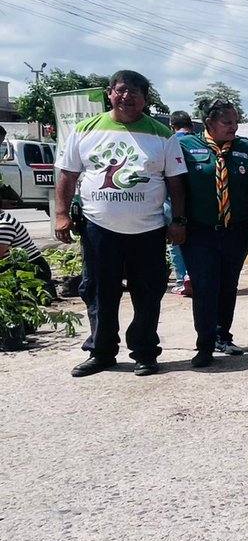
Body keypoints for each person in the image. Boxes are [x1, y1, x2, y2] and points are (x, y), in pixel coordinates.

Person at [54, 70, 187, 378]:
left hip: (149, 229)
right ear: (110, 92)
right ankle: (101, 352)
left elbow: (177, 183)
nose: (128, 97)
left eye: (136, 93)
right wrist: (61, 214)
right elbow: (67, 176)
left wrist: (178, 220)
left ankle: (144, 352)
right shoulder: (85, 129)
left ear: (145, 99)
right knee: (99, 291)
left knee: (148, 291)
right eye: (122, 90)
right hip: (99, 228)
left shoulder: (161, 134)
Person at [178, 99, 248, 367]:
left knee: (227, 285)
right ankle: (205, 344)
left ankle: (224, 335)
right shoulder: (186, 146)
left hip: (237, 229)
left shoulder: (245, 148)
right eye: (227, 123)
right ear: (209, 123)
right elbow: (176, 186)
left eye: (235, 122)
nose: (233, 127)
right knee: (204, 287)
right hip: (200, 232)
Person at [167, 110, 193, 295]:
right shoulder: (200, 142)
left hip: (172, 199)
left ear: (172, 125)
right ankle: (192, 276)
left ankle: (181, 279)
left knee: (175, 242)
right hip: (196, 200)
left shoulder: (170, 141)